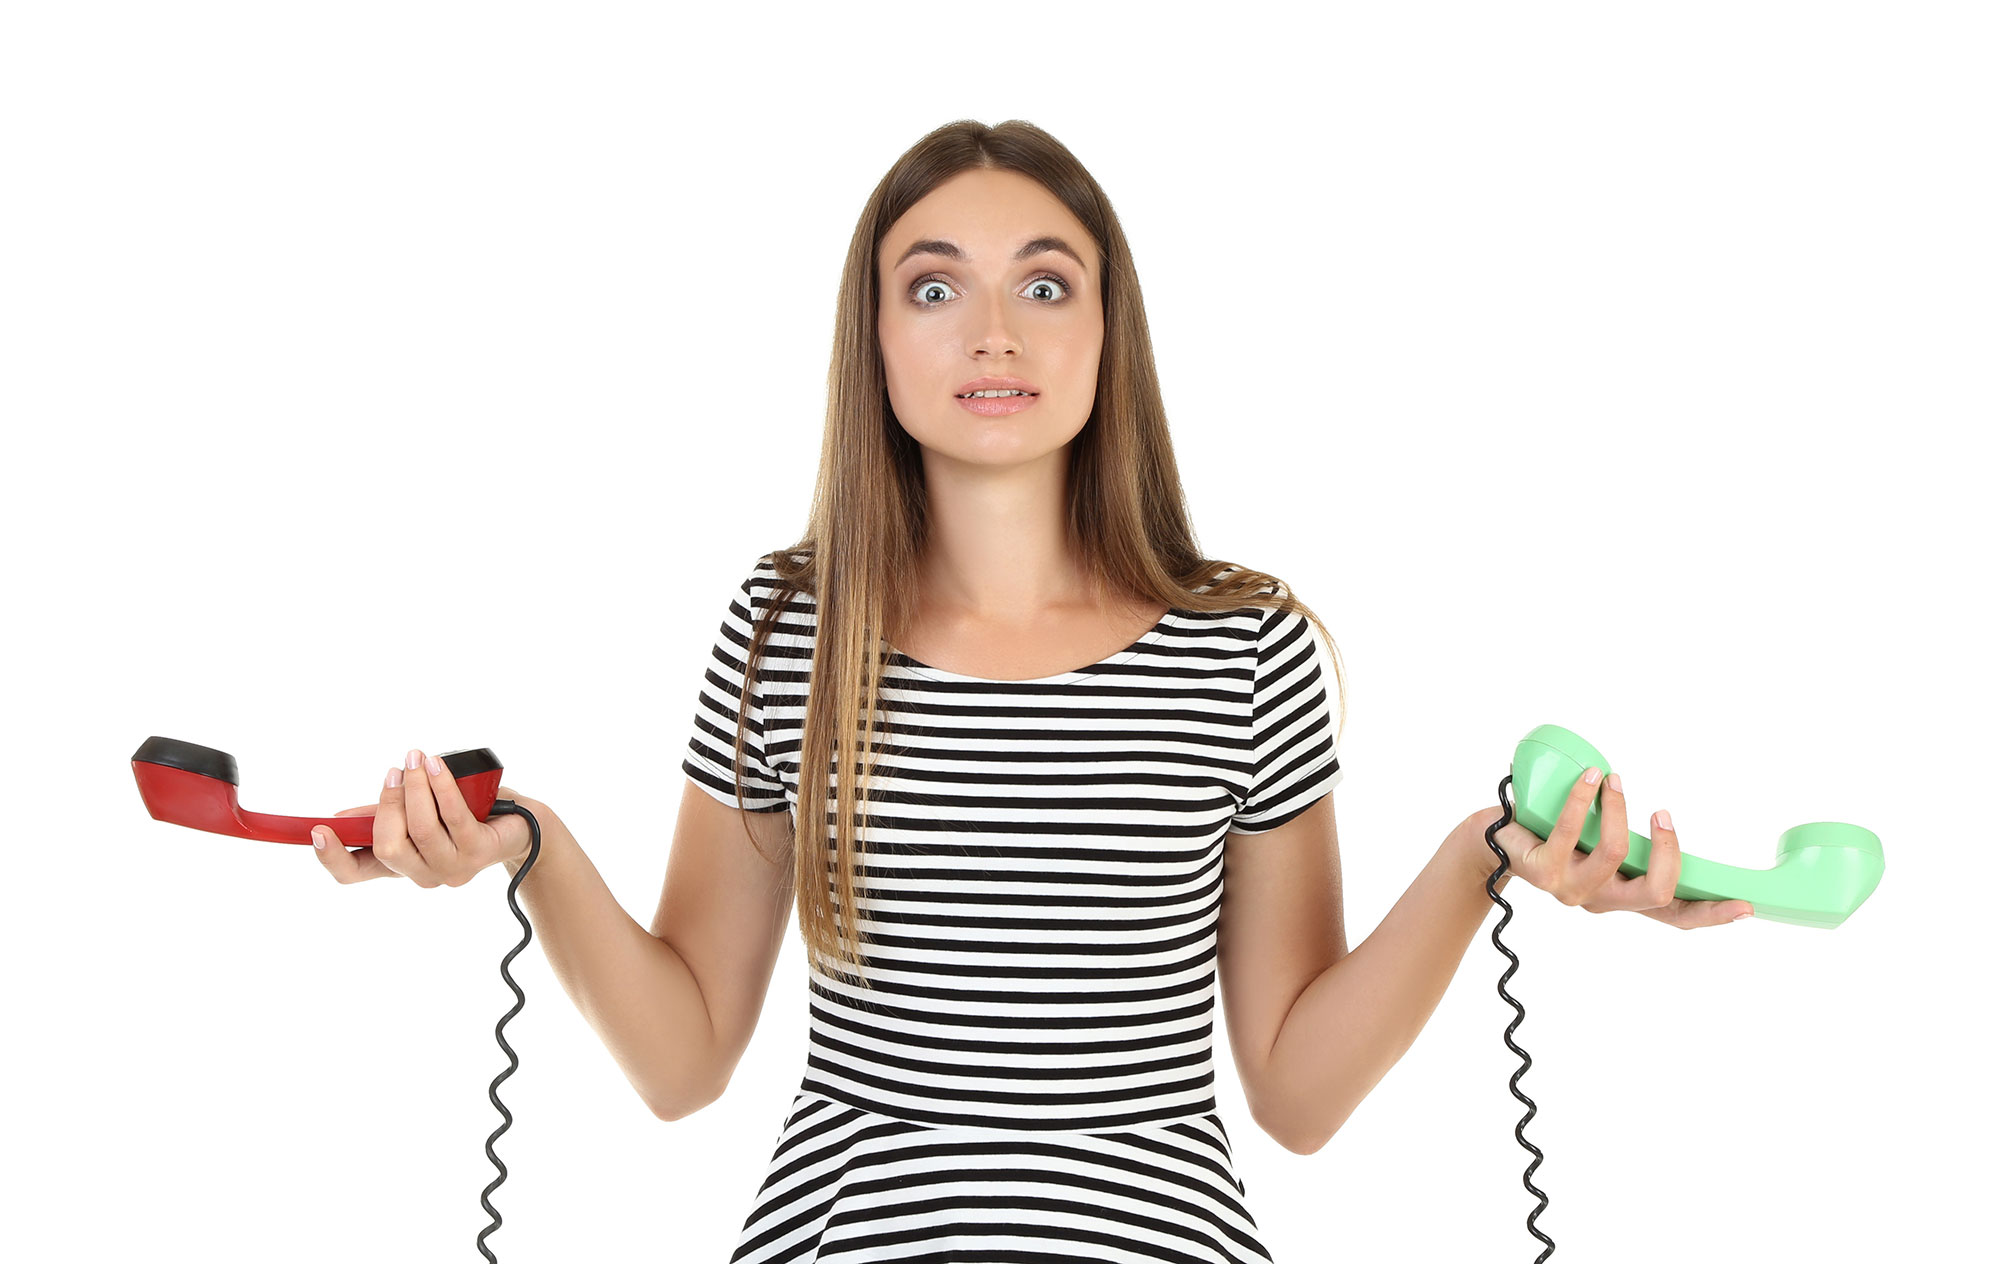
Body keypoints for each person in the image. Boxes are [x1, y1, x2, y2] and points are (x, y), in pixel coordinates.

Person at [311, 118, 1753, 1263]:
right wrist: (532, 846)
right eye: (933, 287)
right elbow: (685, 1061)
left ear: (1105, 330)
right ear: (874, 343)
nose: (991, 332)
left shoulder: (1241, 647)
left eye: (1043, 284)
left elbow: (1298, 1097)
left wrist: (1482, 857)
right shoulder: (786, 629)